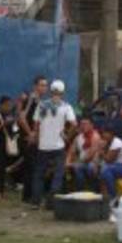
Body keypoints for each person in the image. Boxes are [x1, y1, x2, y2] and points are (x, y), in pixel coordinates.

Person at [31, 79, 76, 209]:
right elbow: (74, 124)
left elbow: (36, 124)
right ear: (63, 92)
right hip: (58, 146)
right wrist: (67, 136)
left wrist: (37, 138)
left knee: (39, 174)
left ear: (51, 91)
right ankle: (51, 203)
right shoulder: (66, 107)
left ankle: (36, 201)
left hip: (43, 145)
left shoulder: (41, 105)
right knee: (58, 174)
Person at [17, 75, 48, 203]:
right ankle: (29, 196)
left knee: (33, 167)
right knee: (31, 167)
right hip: (27, 138)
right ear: (35, 86)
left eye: (45, 85)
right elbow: (22, 118)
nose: (44, 88)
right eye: (41, 85)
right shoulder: (30, 99)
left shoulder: (41, 102)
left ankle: (30, 195)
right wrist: (30, 134)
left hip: (36, 139)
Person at [0, 97, 21, 197]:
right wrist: (4, 123)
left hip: (9, 143)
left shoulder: (10, 115)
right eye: (6, 105)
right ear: (1, 105)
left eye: (10, 105)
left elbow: (15, 128)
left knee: (4, 167)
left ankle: (3, 189)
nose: (8, 107)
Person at [67, 117, 102, 191]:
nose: (83, 126)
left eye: (85, 124)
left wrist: (75, 163)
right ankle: (79, 191)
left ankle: (94, 190)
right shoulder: (78, 137)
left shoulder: (96, 137)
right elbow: (71, 151)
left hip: (94, 162)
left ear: (91, 125)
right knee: (76, 167)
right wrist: (67, 162)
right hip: (82, 161)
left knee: (87, 167)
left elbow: (90, 156)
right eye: (81, 124)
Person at [97, 126, 122, 200]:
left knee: (106, 170)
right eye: (103, 133)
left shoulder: (117, 143)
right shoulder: (108, 142)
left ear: (111, 134)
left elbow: (109, 160)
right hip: (114, 166)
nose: (103, 135)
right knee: (101, 169)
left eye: (106, 133)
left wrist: (102, 152)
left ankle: (113, 195)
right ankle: (104, 197)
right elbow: (101, 159)